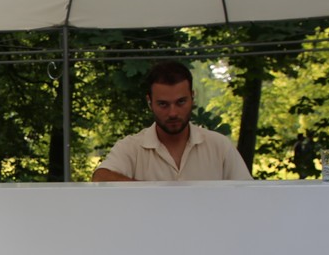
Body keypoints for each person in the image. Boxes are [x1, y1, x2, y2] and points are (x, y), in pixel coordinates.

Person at [91, 60, 252, 182]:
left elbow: (248, 195)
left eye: (181, 102)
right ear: (149, 102)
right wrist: (153, 194)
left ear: (192, 97)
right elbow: (100, 177)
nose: (173, 113)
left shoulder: (219, 146)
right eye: (163, 104)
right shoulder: (131, 148)